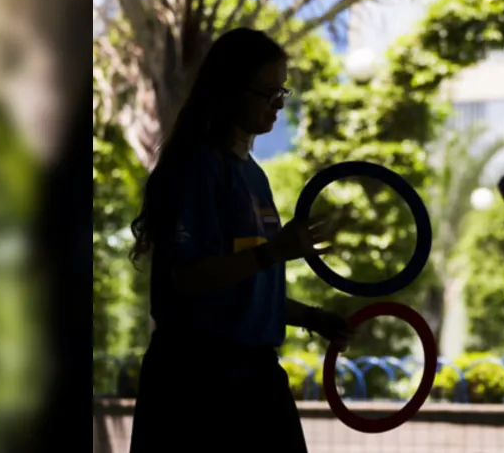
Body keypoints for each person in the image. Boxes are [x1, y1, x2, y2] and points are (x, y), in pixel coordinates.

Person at [127, 28, 352, 453]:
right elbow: (188, 280)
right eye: (268, 92)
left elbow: (245, 288)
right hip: (194, 382)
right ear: (229, 91)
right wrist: (276, 252)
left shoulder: (254, 175)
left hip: (257, 375)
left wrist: (312, 318)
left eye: (282, 92)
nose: (278, 105)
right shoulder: (195, 169)